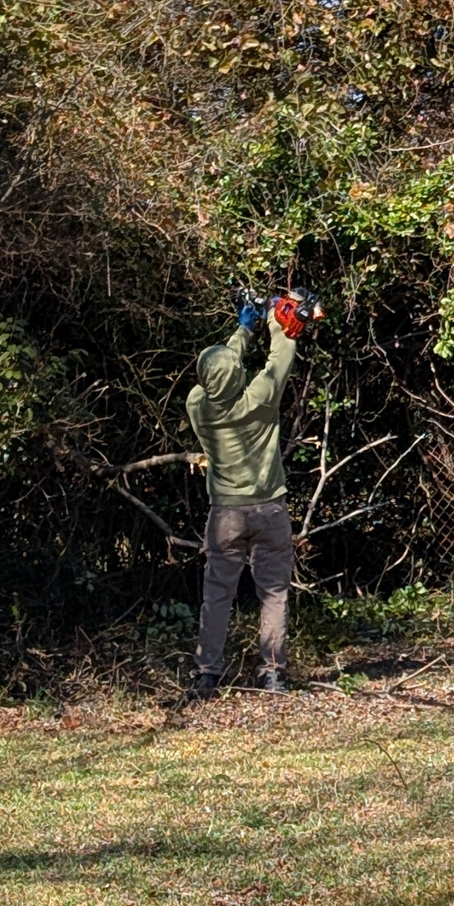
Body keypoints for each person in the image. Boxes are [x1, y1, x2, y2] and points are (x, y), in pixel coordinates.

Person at [185, 296, 299, 697]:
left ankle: (207, 674)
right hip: (269, 509)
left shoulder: (198, 406)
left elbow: (220, 369)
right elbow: (283, 352)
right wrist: (274, 318)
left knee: (218, 594)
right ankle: (271, 673)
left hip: (225, 515)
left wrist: (241, 330)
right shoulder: (261, 398)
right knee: (272, 593)